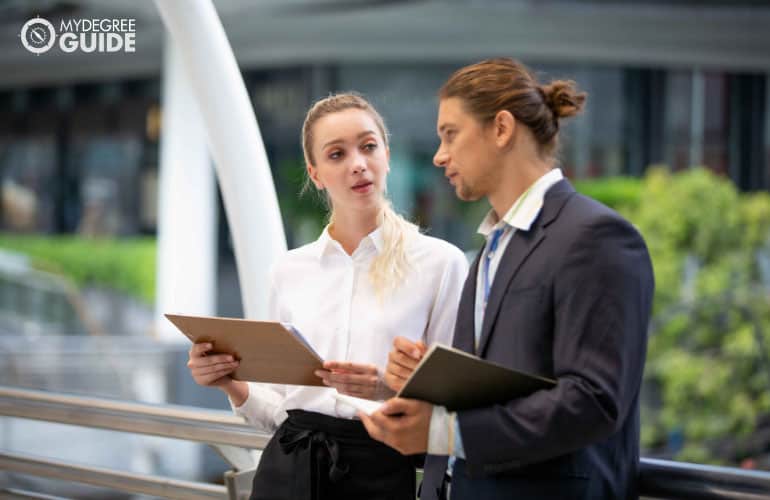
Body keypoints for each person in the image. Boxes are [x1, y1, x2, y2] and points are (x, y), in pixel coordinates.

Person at [359, 58, 655, 500]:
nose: (440, 155)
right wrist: (429, 378)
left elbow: (593, 400)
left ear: (501, 129)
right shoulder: (490, 249)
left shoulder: (598, 237)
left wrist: (444, 433)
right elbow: (507, 378)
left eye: (450, 134)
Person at [186, 92, 468, 500]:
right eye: (336, 154)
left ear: (386, 155)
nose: (357, 163)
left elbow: (453, 401)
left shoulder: (441, 264)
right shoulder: (288, 271)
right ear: (315, 173)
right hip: (286, 471)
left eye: (368, 146)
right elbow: (282, 411)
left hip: (382, 473)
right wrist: (231, 384)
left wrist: (387, 388)